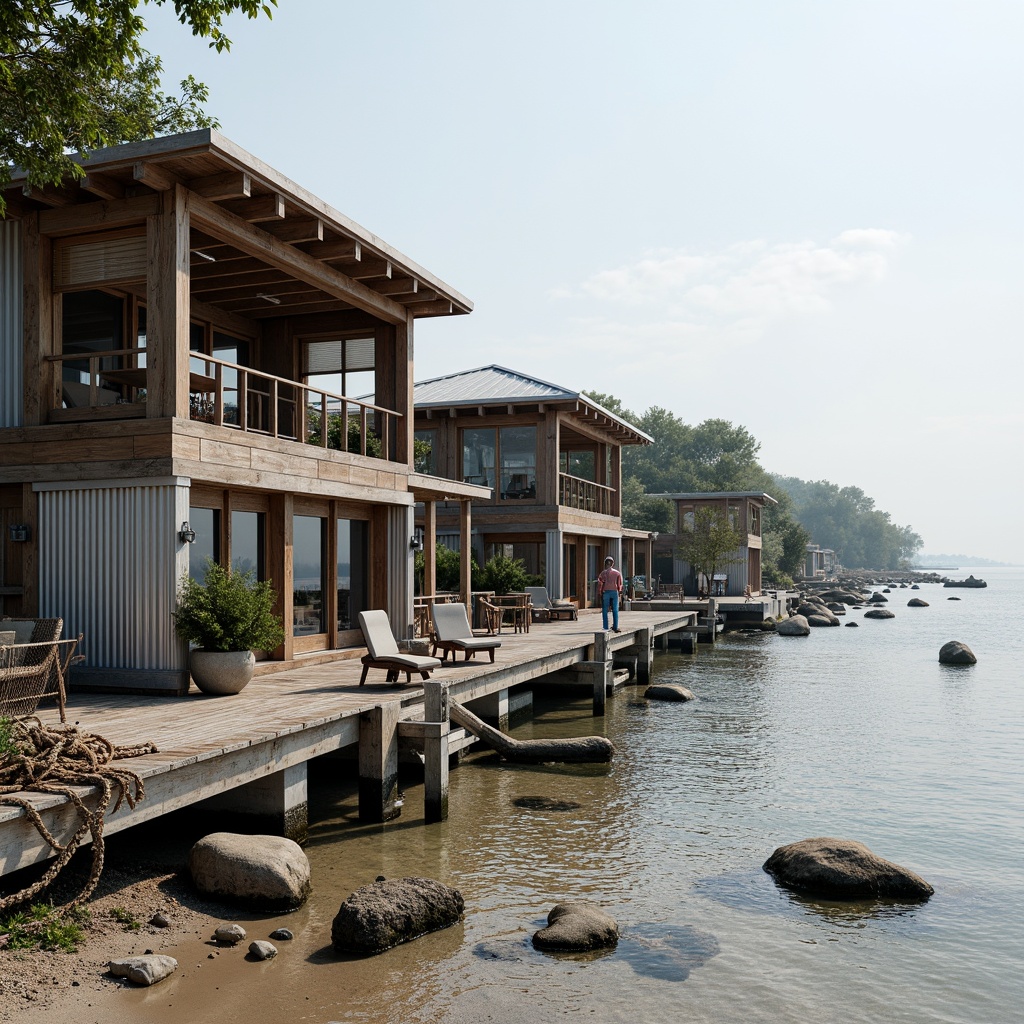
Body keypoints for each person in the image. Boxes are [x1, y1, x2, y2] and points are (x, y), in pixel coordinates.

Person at [597, 555, 623, 632]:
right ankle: (615, 626)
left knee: (605, 609)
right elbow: (620, 584)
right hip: (615, 592)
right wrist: (619, 591)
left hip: (606, 592)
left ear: (605, 563)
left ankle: (605, 627)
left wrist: (600, 592)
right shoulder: (617, 573)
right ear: (612, 563)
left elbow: (600, 583)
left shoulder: (603, 573)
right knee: (615, 609)